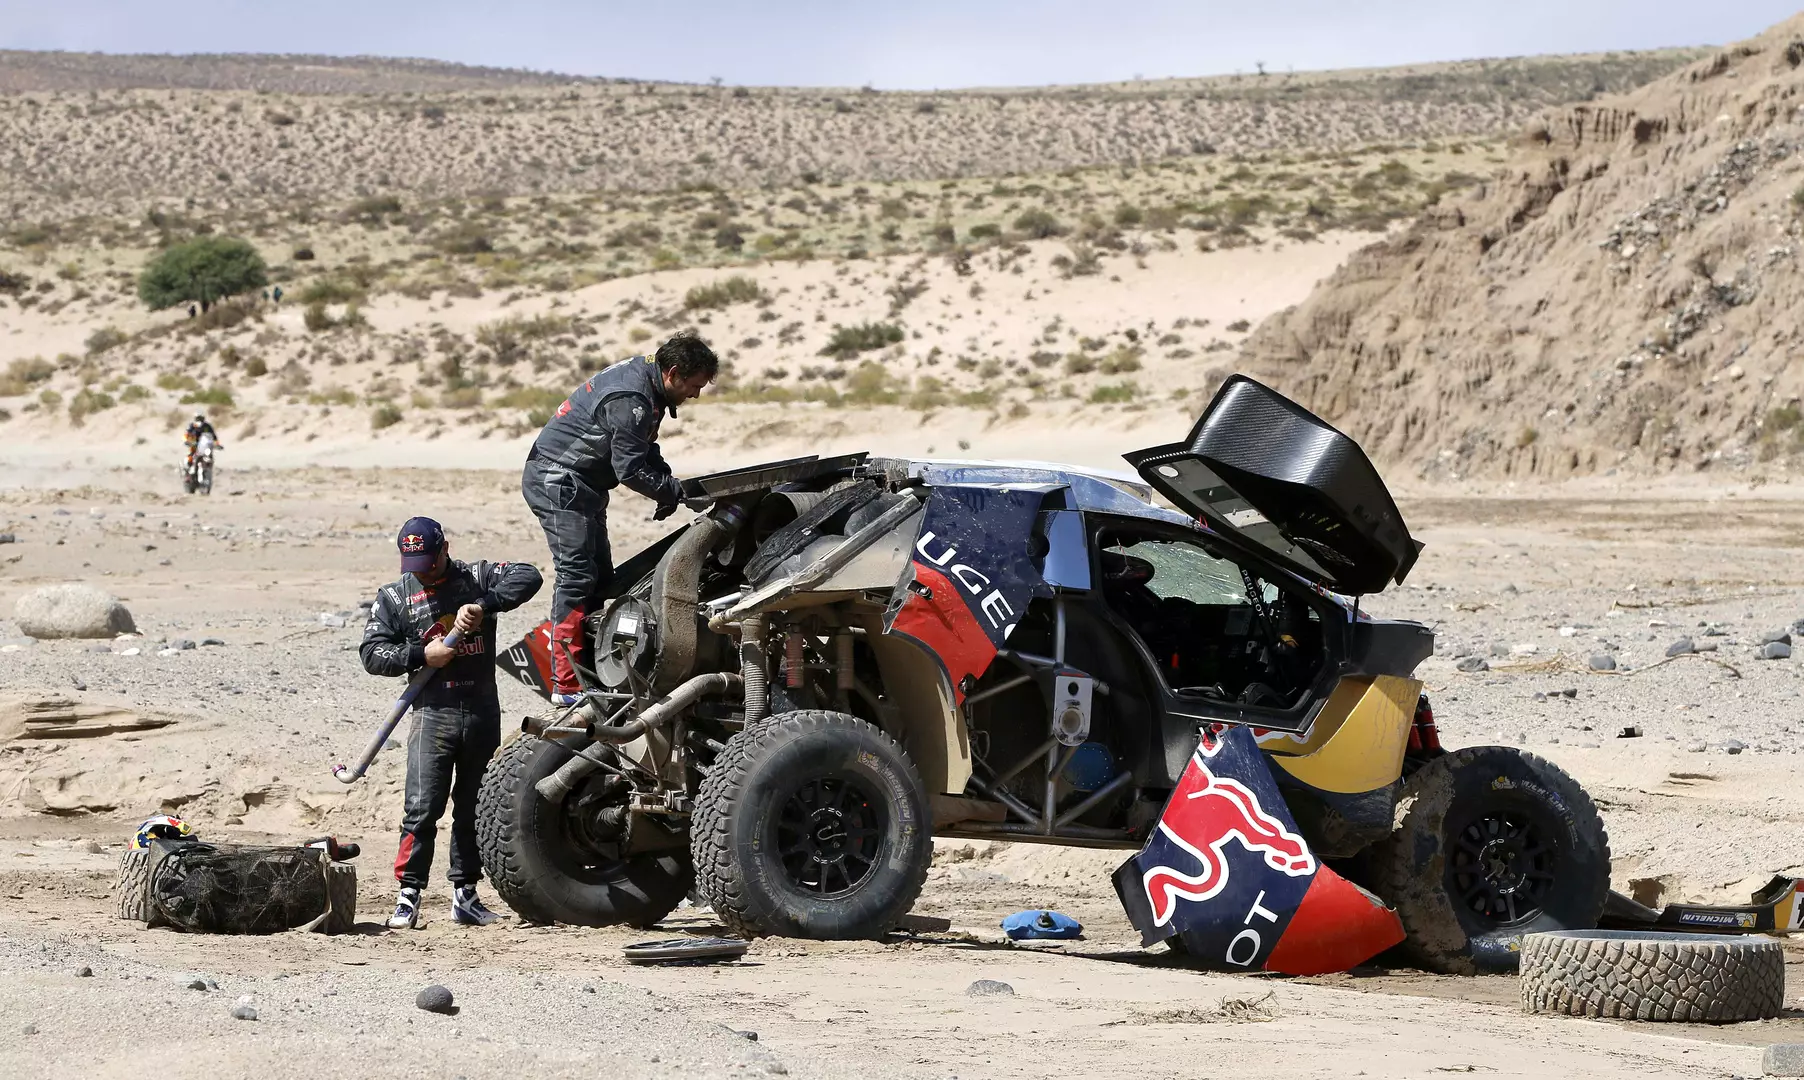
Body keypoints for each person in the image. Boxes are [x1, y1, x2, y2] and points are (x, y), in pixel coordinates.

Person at [359, 516, 542, 929]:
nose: (423, 570)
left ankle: (466, 895)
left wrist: (484, 605)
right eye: (414, 563)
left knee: (472, 806)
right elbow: (371, 653)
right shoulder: (394, 596)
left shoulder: (476, 577)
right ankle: (408, 895)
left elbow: (529, 576)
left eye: (429, 560)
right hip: (431, 713)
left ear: (445, 548)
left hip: (480, 710)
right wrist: (422, 656)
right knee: (422, 808)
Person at [521, 331, 717, 704]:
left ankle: (590, 669)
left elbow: (642, 446)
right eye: (693, 386)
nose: (695, 395)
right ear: (673, 373)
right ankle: (565, 683)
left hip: (581, 484)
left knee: (601, 577)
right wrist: (671, 491)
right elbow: (628, 469)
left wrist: (668, 484)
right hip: (558, 481)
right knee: (577, 576)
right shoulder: (632, 398)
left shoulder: (646, 382)